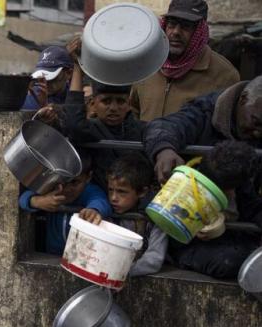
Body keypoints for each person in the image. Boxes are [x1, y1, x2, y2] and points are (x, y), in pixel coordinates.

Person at [60, 37, 149, 191]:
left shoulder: (144, 131)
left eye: (120, 102)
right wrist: (77, 67)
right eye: (106, 101)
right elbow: (73, 124)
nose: (113, 108)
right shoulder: (91, 130)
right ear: (93, 103)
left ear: (129, 104)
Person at [130, 0, 240, 121]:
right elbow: (134, 111)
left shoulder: (224, 74)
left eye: (186, 26)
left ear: (200, 31)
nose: (176, 32)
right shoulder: (148, 65)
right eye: (172, 24)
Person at [143, 75, 262, 184]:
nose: (258, 133)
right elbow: (165, 126)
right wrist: (164, 149)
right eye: (256, 122)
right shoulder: (204, 110)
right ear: (243, 99)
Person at [168, 141, 262, 278]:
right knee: (231, 262)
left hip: (232, 242)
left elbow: (253, 208)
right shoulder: (187, 184)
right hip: (189, 248)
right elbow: (169, 228)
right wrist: (192, 229)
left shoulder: (239, 182)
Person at [19, 150, 112, 255]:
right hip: (51, 254)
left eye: (74, 182)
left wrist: (94, 210)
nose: (66, 188)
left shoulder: (89, 190)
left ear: (88, 177)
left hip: (80, 256)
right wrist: (38, 201)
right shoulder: (51, 187)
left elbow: (100, 199)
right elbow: (23, 198)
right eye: (62, 181)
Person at [107, 155, 167, 277]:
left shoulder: (154, 218)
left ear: (142, 192)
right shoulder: (108, 212)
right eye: (110, 190)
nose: (113, 198)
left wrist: (121, 273)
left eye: (121, 191)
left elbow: (154, 259)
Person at [21, 46, 73, 111]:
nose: (45, 82)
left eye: (51, 79)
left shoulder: (76, 99)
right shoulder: (27, 99)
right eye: (41, 77)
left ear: (69, 73)